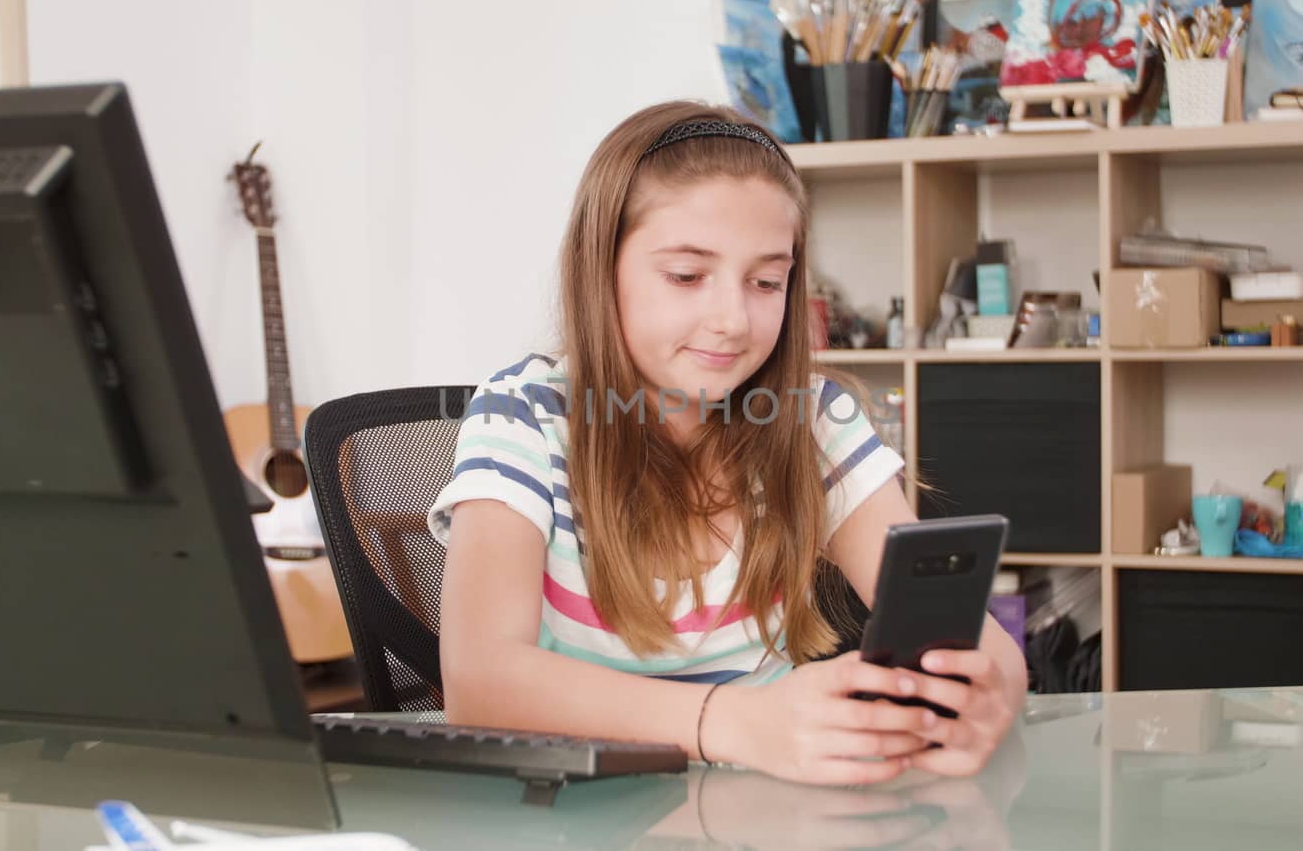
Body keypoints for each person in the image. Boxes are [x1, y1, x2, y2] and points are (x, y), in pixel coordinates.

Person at [427, 101, 1025, 785]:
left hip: (762, 810)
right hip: (573, 813)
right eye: (686, 276)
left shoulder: (812, 420)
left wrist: (989, 687)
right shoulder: (523, 417)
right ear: (601, 269)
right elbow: (478, 683)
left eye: (767, 281)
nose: (733, 319)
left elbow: (979, 641)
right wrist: (732, 723)